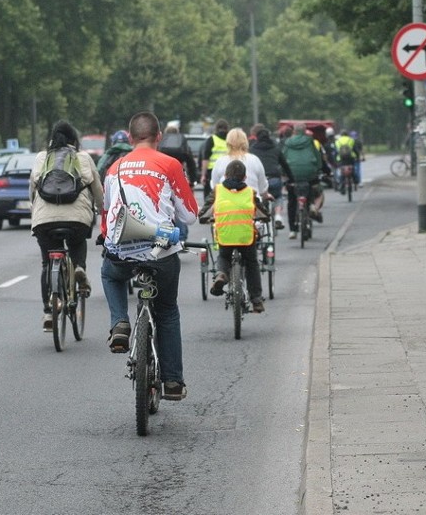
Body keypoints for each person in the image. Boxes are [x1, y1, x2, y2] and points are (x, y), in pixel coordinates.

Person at [100, 111, 198, 401]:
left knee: (110, 274)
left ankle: (120, 322)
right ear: (159, 137)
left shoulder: (114, 168)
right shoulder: (170, 164)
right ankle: (172, 382)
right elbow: (190, 216)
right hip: (161, 251)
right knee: (167, 310)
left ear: (130, 138)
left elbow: (107, 216)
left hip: (123, 250)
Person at [31, 120, 104, 332]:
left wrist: (34, 213)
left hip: (44, 219)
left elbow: (32, 189)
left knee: (47, 263)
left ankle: (48, 311)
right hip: (77, 218)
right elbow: (97, 191)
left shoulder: (41, 158)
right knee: (77, 241)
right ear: (75, 140)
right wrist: (101, 209)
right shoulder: (83, 158)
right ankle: (79, 267)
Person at [198, 160, 268, 313]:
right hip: (245, 237)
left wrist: (206, 218)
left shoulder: (217, 191)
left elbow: (203, 214)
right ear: (245, 177)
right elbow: (263, 213)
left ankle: (221, 274)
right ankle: (256, 299)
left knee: (223, 257)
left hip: (226, 235)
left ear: (224, 175)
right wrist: (265, 218)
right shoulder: (250, 192)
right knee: (251, 263)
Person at [282, 123, 324, 239]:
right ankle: (311, 205)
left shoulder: (288, 143)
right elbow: (317, 156)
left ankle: (292, 230)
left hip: (292, 174)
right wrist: (319, 168)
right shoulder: (310, 141)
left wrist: (283, 173)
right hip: (309, 172)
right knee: (312, 187)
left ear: (294, 131)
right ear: (305, 131)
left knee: (291, 199)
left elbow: (283, 159)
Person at [249, 126, 294, 229]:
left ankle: (258, 221)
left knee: (256, 199)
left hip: (259, 181)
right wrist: (291, 179)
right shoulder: (276, 149)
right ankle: (278, 216)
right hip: (274, 179)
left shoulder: (252, 150)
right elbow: (285, 165)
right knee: (278, 197)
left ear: (256, 137)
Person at [209, 128, 269, 197]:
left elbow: (214, 187)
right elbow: (263, 189)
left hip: (226, 204)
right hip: (250, 204)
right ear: (245, 142)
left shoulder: (220, 161)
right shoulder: (255, 160)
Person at [200, 119, 230, 198]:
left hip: (212, 171)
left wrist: (203, 175)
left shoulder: (211, 140)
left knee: (211, 195)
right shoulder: (230, 139)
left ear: (216, 128)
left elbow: (205, 159)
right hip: (229, 170)